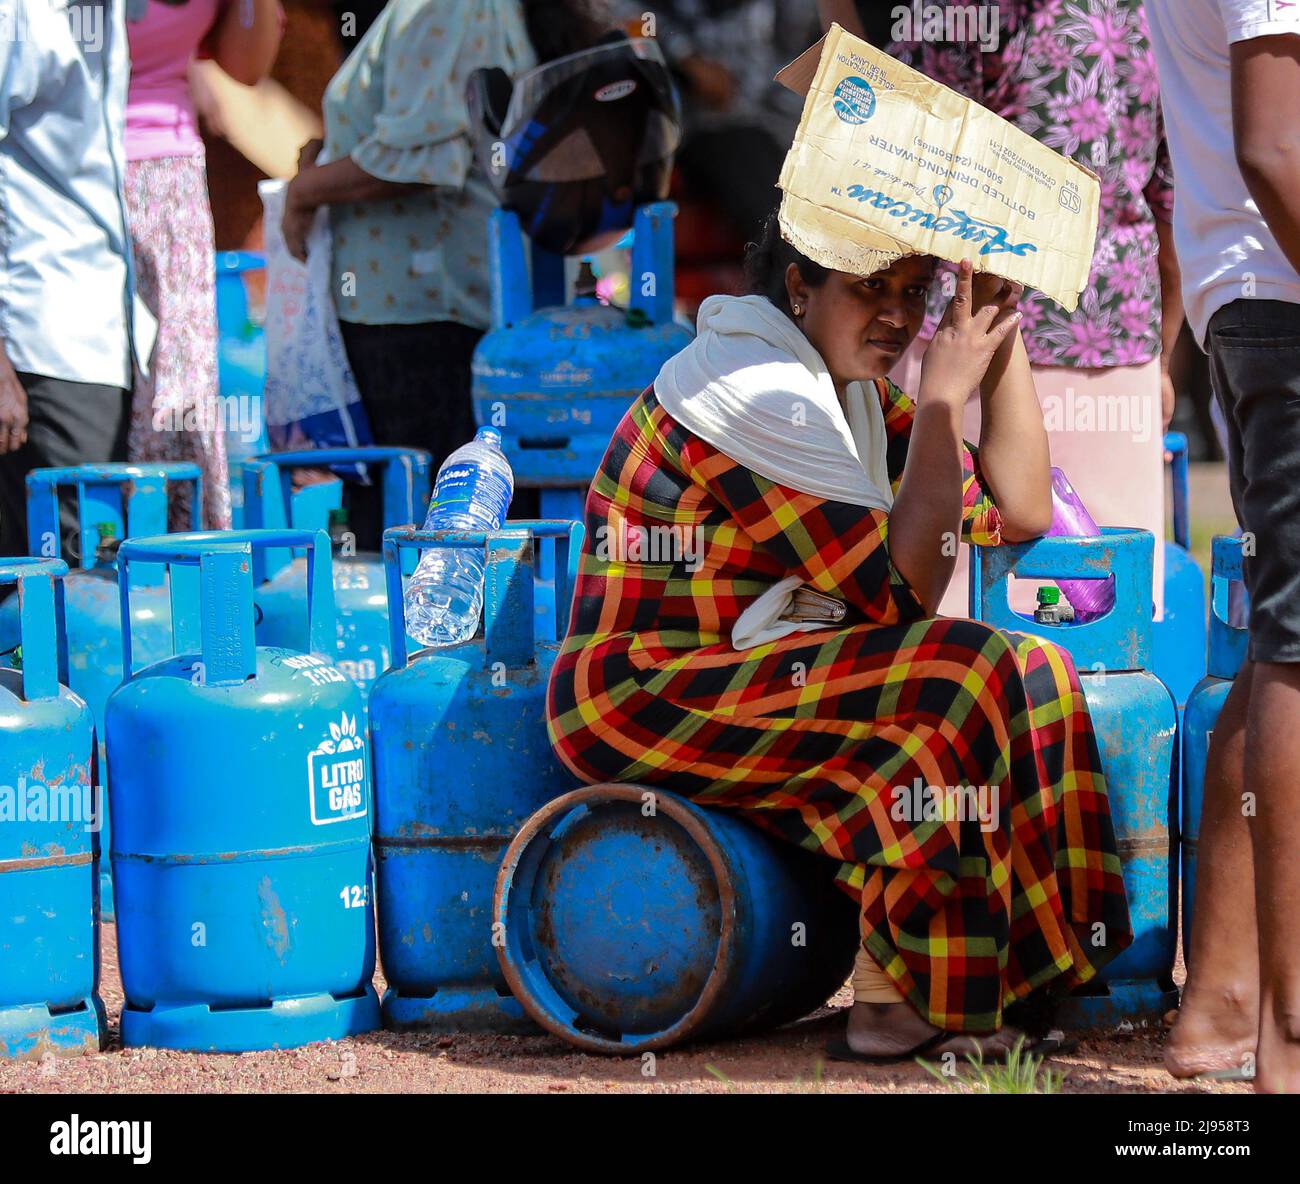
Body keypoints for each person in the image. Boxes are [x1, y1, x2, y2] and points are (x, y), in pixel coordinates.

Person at [545, 215, 1132, 1058]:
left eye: (913, 293)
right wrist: (939, 397)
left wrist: (999, 338)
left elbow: (1020, 507)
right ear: (797, 288)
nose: (896, 315)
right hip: (643, 692)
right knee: (958, 674)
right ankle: (898, 998)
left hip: (750, 672)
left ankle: (1040, 977)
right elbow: (900, 602)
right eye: (869, 288)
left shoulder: (849, 394)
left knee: (1036, 668)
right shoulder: (755, 391)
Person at [832, 0, 1178, 619]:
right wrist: (1163, 354)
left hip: (983, 331)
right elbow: (1173, 198)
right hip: (1027, 333)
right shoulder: (1141, 18)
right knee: (1098, 609)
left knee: (980, 598)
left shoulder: (932, 21)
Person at [280, 0, 609, 538]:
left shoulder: (449, 6)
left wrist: (304, 192)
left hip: (424, 312)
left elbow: (423, 157)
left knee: (425, 543)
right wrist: (330, 153)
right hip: (421, 308)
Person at [1144, 0, 1300, 1095]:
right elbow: (1275, 144)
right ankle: (1291, 1040)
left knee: (1279, 639)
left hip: (1251, 299)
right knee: (1298, 647)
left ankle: (1226, 1002)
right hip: (1283, 297)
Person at [0, 0, 155, 560]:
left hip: (99, 332)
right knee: (70, 571)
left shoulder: (109, 12)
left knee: (76, 569)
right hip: (42, 336)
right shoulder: (21, 13)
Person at [125, 0, 283, 532]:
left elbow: (247, 67)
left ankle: (174, 557)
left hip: (172, 177)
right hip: (67, 171)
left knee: (180, 386)